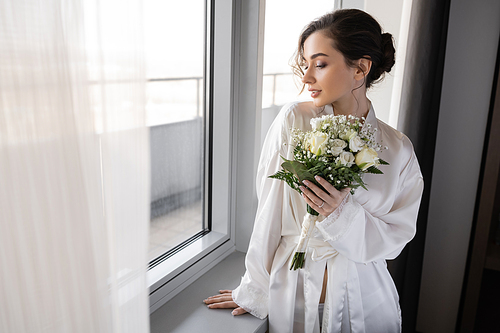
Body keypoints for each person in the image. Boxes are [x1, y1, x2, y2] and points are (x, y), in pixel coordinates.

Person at [203, 9, 424, 333]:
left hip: (367, 299)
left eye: (319, 64)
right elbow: (270, 212)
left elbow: (397, 237)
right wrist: (253, 289)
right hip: (295, 292)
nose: (306, 77)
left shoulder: (398, 147)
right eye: (305, 65)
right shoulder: (295, 120)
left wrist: (341, 213)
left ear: (360, 68)